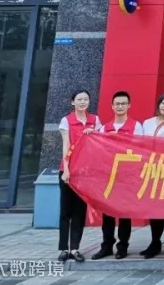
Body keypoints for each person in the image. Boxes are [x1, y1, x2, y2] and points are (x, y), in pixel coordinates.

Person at [92, 91, 143, 260]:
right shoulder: (104, 128)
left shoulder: (136, 126)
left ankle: (122, 246)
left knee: (124, 213)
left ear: (129, 106)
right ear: (112, 106)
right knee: (107, 213)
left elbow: (140, 148)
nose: (120, 106)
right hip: (108, 175)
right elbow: (98, 150)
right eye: (117, 104)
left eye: (123, 103)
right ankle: (106, 246)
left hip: (127, 176)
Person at [57, 89, 100, 263]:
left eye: (86, 99)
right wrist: (66, 170)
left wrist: (94, 133)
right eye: (79, 99)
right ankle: (63, 249)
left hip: (85, 172)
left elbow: (100, 143)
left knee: (79, 211)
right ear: (72, 102)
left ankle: (75, 248)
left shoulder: (95, 120)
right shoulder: (66, 120)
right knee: (65, 211)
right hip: (69, 171)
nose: (83, 102)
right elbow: (65, 146)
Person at [139, 92, 164, 259]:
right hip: (147, 168)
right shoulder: (147, 123)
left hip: (162, 169)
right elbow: (140, 143)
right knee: (149, 206)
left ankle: (156, 241)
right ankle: (154, 241)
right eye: (163, 103)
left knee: (159, 206)